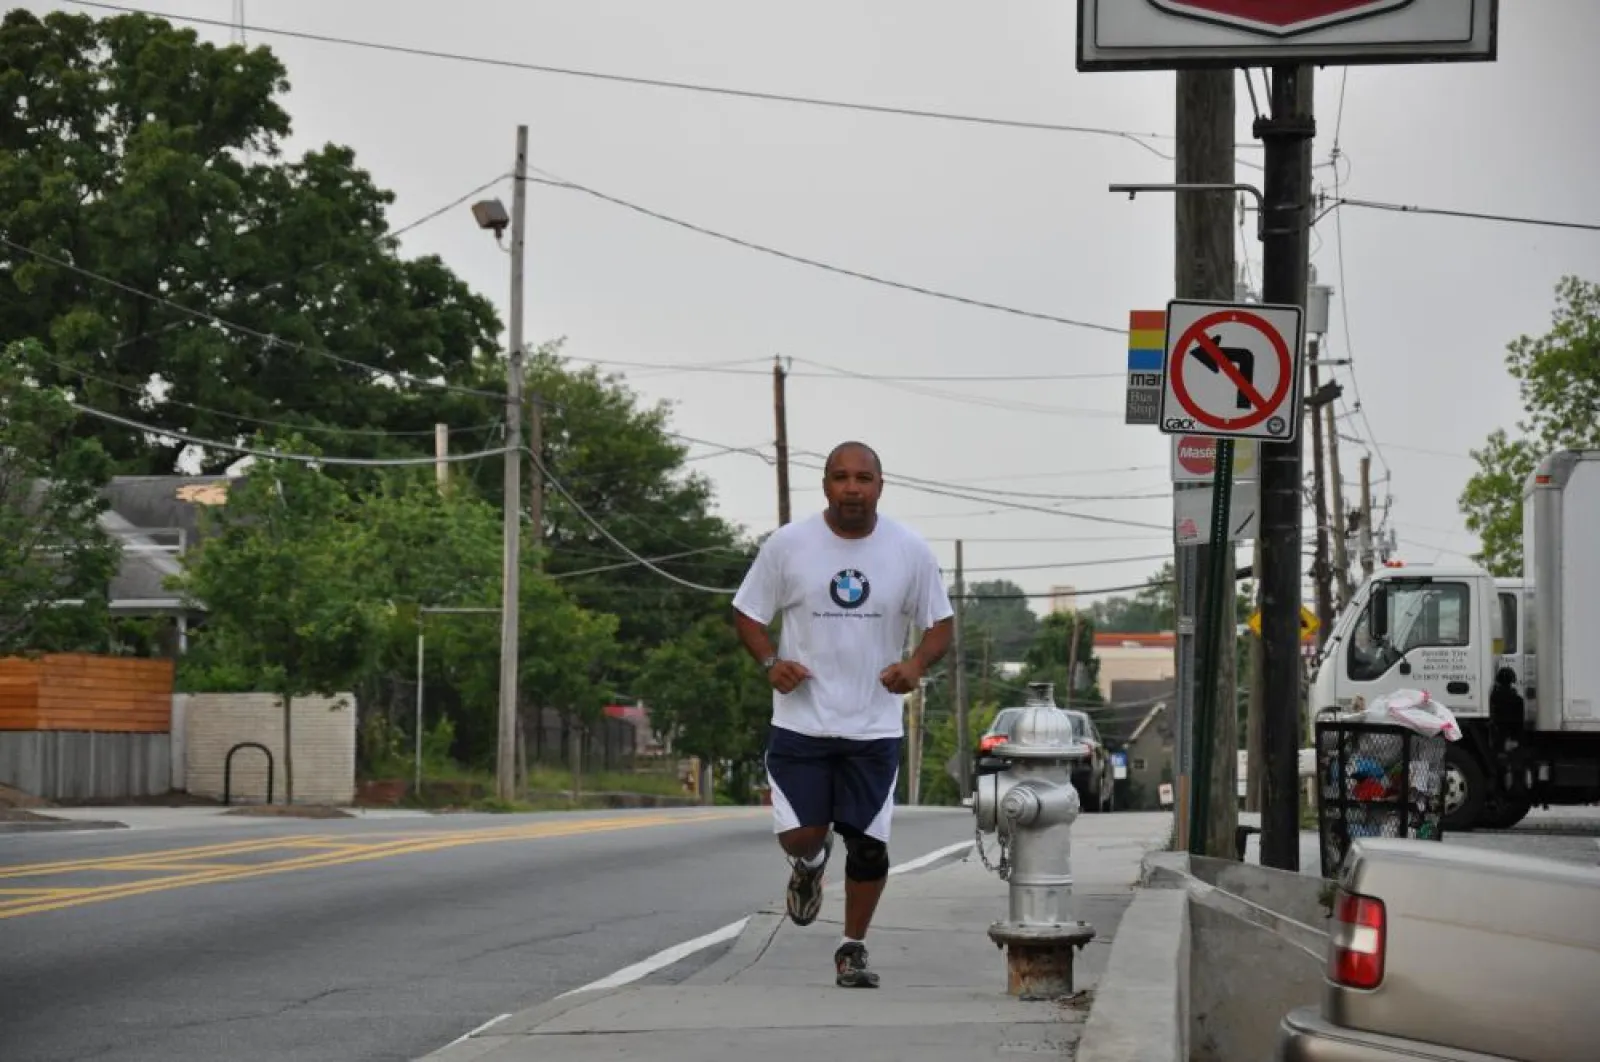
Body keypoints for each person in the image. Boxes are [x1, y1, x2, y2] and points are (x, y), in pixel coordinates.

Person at [731, 440, 954, 988]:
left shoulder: (909, 550)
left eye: (863, 478)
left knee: (869, 844)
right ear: (825, 484)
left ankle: (852, 947)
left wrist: (915, 664)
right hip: (801, 721)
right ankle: (808, 865)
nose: (852, 488)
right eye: (840, 477)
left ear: (881, 484)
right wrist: (769, 662)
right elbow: (746, 612)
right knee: (803, 835)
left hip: (873, 725)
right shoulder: (788, 546)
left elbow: (940, 624)